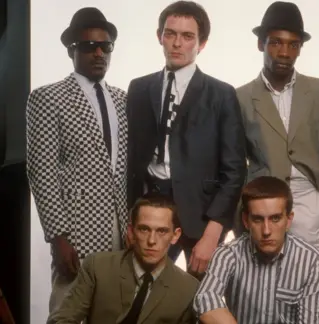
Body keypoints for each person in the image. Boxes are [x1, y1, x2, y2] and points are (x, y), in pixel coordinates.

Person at [126, 0, 246, 278]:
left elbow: (235, 170)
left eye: (187, 36)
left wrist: (214, 232)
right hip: (150, 210)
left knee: (202, 300)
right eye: (171, 34)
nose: (177, 43)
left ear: (201, 43)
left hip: (200, 215)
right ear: (160, 37)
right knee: (141, 295)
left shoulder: (221, 94)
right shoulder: (139, 88)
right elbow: (131, 160)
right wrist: (131, 220)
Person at [235, 1, 319, 284]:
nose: (285, 53)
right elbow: (234, 164)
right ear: (261, 44)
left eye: (293, 44)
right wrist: (247, 210)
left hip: (311, 206)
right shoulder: (239, 98)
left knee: (311, 296)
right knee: (260, 296)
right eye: (276, 43)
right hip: (262, 210)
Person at [26, 7, 128, 312]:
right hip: (75, 229)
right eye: (88, 46)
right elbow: (41, 172)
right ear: (72, 50)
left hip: (121, 228)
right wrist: (59, 237)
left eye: (105, 46)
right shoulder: (48, 97)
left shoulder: (123, 100)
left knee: (112, 311)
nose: (98, 53)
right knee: (66, 311)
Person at [47, 194, 199, 324]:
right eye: (144, 229)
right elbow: (63, 319)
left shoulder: (188, 289)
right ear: (131, 232)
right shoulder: (98, 267)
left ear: (175, 235)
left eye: (162, 231)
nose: (152, 240)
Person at [194, 176, 319, 324]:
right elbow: (205, 297)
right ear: (246, 221)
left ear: (289, 220)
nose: (266, 230)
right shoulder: (228, 254)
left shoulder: (311, 260)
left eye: (275, 218)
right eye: (257, 219)